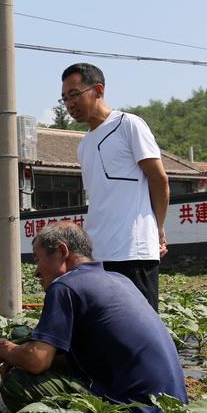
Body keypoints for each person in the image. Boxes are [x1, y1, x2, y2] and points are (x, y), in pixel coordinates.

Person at [0, 221, 188, 413]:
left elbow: (37, 360)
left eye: (38, 259)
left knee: (19, 382)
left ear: (61, 252)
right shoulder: (118, 280)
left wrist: (4, 348)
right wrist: (21, 355)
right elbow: (89, 357)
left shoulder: (65, 286)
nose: (37, 271)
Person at [60, 62, 169, 310]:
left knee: (140, 328)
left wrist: (158, 229)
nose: (69, 104)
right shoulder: (83, 145)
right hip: (98, 255)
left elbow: (159, 179)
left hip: (133, 250)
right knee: (107, 329)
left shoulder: (129, 124)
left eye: (75, 95)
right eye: (65, 98)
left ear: (98, 90)